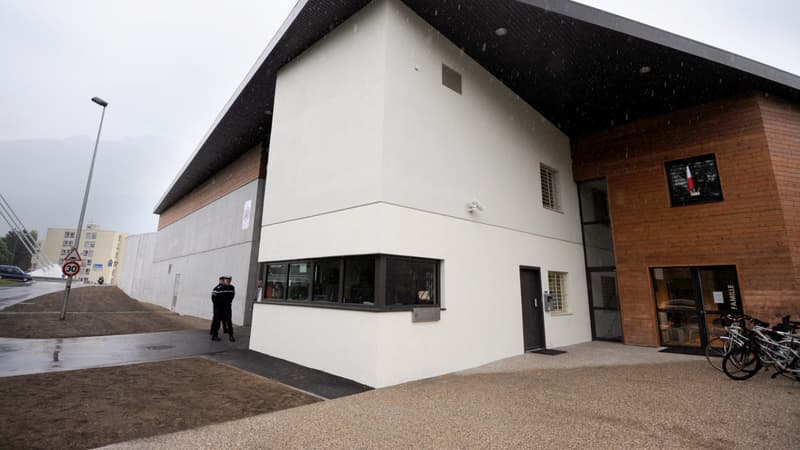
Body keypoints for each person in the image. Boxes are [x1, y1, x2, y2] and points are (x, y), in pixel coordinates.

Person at [210, 275, 236, 342]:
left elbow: (232, 296)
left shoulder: (231, 287)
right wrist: (218, 306)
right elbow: (213, 299)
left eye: (229, 281)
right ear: (224, 281)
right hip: (219, 308)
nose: (229, 282)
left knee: (229, 322)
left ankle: (231, 335)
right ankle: (214, 335)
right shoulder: (217, 288)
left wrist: (227, 303)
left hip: (227, 307)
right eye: (227, 281)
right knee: (217, 322)